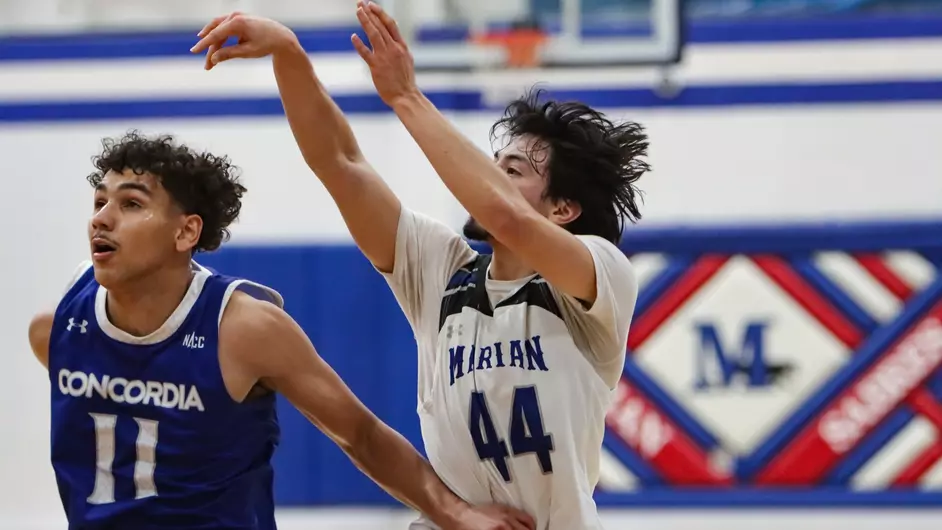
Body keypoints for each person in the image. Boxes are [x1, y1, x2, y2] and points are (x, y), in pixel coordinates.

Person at [192, 2, 645, 527]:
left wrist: (405, 95)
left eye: (511, 170)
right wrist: (289, 55)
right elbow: (340, 164)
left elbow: (509, 216)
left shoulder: (601, 277)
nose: (485, 180)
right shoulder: (441, 271)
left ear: (562, 210)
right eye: (489, 167)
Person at [27, 131, 536, 530]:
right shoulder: (64, 326)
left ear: (186, 232)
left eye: (130, 204)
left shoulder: (245, 327)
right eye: (99, 202)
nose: (102, 219)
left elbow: (359, 433)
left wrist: (456, 513)